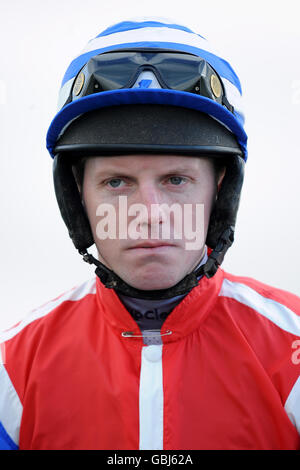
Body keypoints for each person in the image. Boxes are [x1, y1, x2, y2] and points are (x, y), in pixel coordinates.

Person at [0, 17, 300, 451]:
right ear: (77, 198)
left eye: (176, 180)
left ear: (220, 193)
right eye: (116, 182)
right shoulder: (12, 371)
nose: (149, 214)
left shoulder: (292, 350)